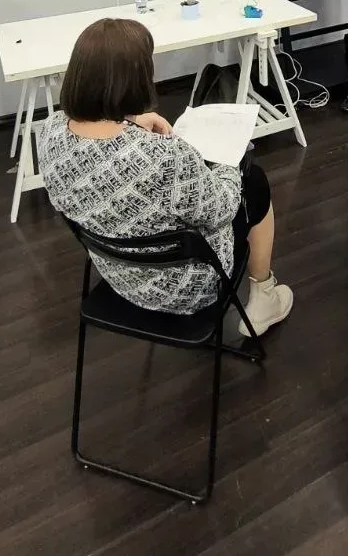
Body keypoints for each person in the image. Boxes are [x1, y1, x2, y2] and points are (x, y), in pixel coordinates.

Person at [38, 18, 293, 337]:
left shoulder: (50, 133)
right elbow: (223, 210)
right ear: (136, 80)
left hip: (118, 275)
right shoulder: (164, 157)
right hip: (186, 290)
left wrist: (131, 122)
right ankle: (265, 297)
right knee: (254, 182)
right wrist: (228, 158)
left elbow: (106, 160)